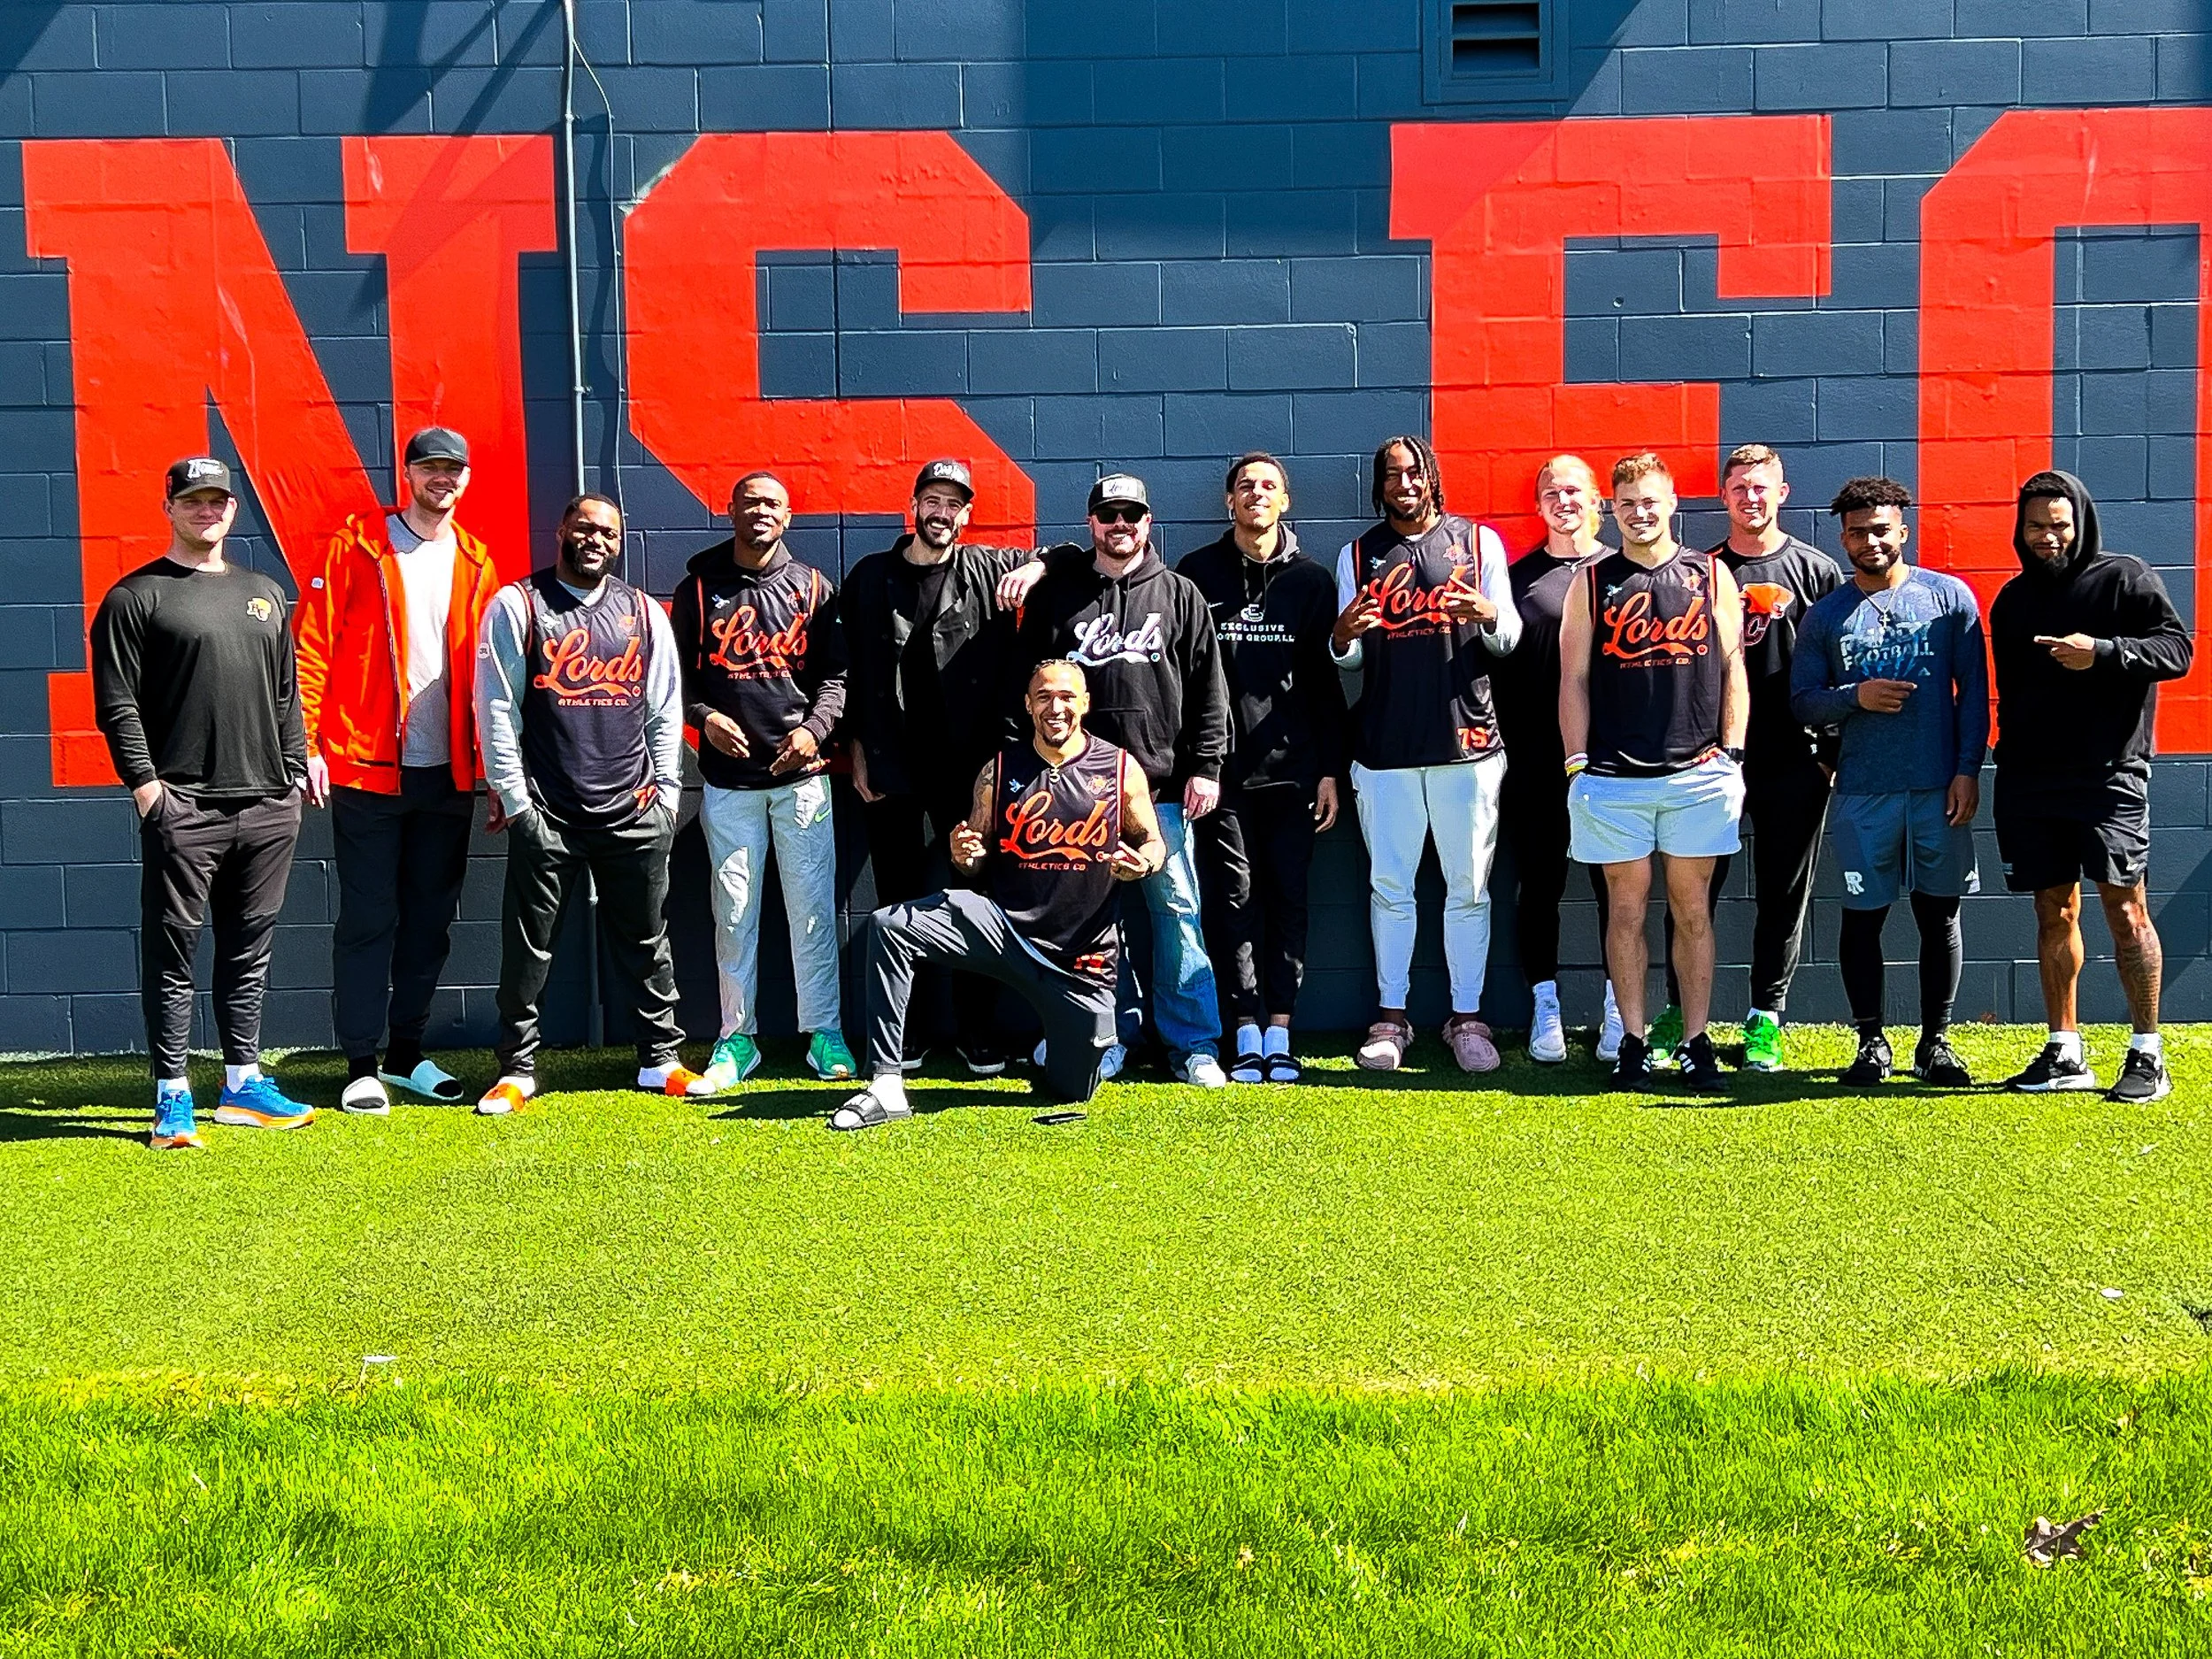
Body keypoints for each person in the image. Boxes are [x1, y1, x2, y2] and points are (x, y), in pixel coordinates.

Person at [833, 660, 1164, 1130]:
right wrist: (962, 852)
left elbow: (1153, 841)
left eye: (1068, 697)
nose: (1057, 707)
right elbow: (974, 859)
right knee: (891, 926)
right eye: (1045, 696)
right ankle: (886, 1086)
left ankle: (1061, 1049)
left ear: (1085, 704)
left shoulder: (1118, 768)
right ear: (1028, 705)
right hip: (1004, 931)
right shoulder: (1000, 769)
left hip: (1080, 963)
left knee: (1073, 1089)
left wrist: (1144, 863)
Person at [91, 457, 313, 1148]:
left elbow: (285, 692)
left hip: (269, 803)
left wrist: (297, 768)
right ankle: (173, 1094)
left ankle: (242, 1083)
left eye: (217, 499)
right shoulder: (136, 597)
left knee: (249, 947)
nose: (206, 510)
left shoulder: (264, 592)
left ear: (232, 508)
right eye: (193, 500)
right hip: (184, 806)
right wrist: (147, 788)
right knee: (174, 949)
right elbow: (117, 703)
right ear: (170, 507)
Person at [472, 493, 708, 1113]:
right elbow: (496, 707)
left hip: (633, 809)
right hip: (548, 811)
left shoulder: (642, 613)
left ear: (619, 541)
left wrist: (663, 797)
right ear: (562, 531)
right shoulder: (519, 605)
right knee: (529, 948)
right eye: (584, 528)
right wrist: (516, 801)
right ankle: (516, 1069)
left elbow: (664, 708)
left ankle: (661, 1059)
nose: (595, 539)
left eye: (607, 531)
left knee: (645, 939)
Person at [296, 426, 502, 1114]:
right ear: (407, 473)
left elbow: (496, 675)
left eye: (454, 469)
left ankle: (408, 1054)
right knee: (367, 918)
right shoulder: (356, 544)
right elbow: (313, 645)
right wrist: (309, 744)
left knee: (429, 922)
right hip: (366, 769)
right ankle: (360, 1063)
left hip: (447, 775)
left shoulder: (477, 560)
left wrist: (497, 770)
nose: (442, 478)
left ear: (466, 479)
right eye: (430, 467)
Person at [1011, 472, 1231, 1087]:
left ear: (1147, 522)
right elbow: (1027, 686)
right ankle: (1104, 1037)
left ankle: (1193, 1045)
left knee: (1178, 913)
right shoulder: (1059, 595)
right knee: (1089, 927)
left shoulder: (1180, 594)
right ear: (1091, 524)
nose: (1121, 526)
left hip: (1158, 794)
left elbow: (1211, 690)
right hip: (1076, 797)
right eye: (1109, 515)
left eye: (1132, 515)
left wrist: (1207, 767)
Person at [840, 458, 1052, 1078]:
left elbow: (1067, 555)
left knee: (974, 898)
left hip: (971, 768)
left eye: (954, 503)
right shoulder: (871, 576)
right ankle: (900, 1038)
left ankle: (976, 1033)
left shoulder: (988, 566)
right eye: (932, 499)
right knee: (899, 902)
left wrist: (1037, 564)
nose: (942, 512)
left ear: (967, 513)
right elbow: (843, 669)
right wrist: (854, 746)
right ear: (914, 506)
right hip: (891, 766)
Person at [1990, 470, 2193, 1101]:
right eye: (2036, 526)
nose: (2048, 537)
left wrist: (2101, 651)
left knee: (2125, 908)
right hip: (2030, 779)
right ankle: (2065, 1049)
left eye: (2059, 524)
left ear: (2079, 521)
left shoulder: (2125, 576)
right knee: (2053, 908)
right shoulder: (2012, 601)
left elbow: (2176, 650)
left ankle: (2147, 1052)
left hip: (2110, 778)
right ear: (2020, 530)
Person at [1640, 444, 1843, 1071]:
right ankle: (1678, 1010)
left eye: (1762, 488)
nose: (1751, 498)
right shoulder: (1699, 571)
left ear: (1782, 493)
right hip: (1706, 759)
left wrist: (1830, 753)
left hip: (1792, 759)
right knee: (1690, 892)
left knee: (1783, 892)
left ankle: (1765, 1017)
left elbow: (1841, 665)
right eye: (1739, 488)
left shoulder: (1817, 572)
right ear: (1723, 498)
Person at [1331, 434, 1522, 1073]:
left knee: (1468, 888)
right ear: (1379, 485)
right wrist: (1343, 634)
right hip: (1384, 748)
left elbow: (1509, 639)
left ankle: (1467, 1017)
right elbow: (1348, 656)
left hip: (1466, 743)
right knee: (1391, 887)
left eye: (1415, 472)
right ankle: (1391, 1017)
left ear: (1433, 476)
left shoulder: (1476, 542)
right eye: (1392, 475)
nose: (1405, 483)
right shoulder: (1358, 554)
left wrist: (1488, 610)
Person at [1557, 451, 1747, 1093]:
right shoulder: (1591, 581)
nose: (1640, 513)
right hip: (1612, 777)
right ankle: (1633, 1042)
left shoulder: (1710, 574)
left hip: (1697, 771)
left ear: (1672, 505)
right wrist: (1577, 763)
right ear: (1612, 508)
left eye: (1651, 501)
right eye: (1628, 502)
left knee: (1693, 910)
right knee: (1626, 910)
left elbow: (1733, 669)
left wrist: (1734, 753)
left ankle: (1697, 1042)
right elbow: (1573, 678)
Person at [1790, 476, 1985, 1088]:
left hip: (1936, 787)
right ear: (1842, 538)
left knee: (1939, 915)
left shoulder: (1949, 598)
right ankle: (1870, 1040)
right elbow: (1802, 703)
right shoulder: (1826, 615)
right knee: (1862, 916)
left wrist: (1966, 771)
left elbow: (1975, 696)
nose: (1870, 540)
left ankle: (1936, 1041)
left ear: (1903, 529)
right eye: (1857, 531)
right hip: (1863, 791)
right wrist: (1858, 696)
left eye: (1881, 528)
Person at [670, 472, 857, 1093]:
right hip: (727, 783)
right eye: (750, 501)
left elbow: (837, 677)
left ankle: (823, 1031)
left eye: (772, 503)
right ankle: (736, 1038)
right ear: (730, 510)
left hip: (802, 776)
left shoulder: (810, 587)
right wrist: (706, 719)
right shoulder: (698, 590)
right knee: (733, 914)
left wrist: (816, 731)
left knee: (810, 913)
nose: (761, 511)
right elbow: (680, 685)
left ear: (788, 516)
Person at [1177, 453, 1347, 1082]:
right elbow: (1189, 680)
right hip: (1223, 775)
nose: (1256, 494)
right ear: (1229, 502)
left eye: (1268, 486)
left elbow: (1326, 685)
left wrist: (1330, 768)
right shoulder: (1197, 574)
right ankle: (1243, 1026)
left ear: (1285, 501)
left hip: (1296, 773)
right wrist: (1199, 762)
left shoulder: (1310, 581)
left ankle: (1280, 1029)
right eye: (1245, 486)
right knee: (1233, 898)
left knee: (1290, 899)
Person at [1490, 454, 1621, 1064]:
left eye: (1574, 490)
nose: (1563, 499)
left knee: (1617, 886)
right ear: (1537, 505)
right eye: (1550, 491)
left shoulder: (1624, 573)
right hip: (1536, 764)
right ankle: (1547, 1004)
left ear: (1598, 500)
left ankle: (1620, 1006)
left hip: (1618, 762)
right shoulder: (1518, 581)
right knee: (1538, 885)